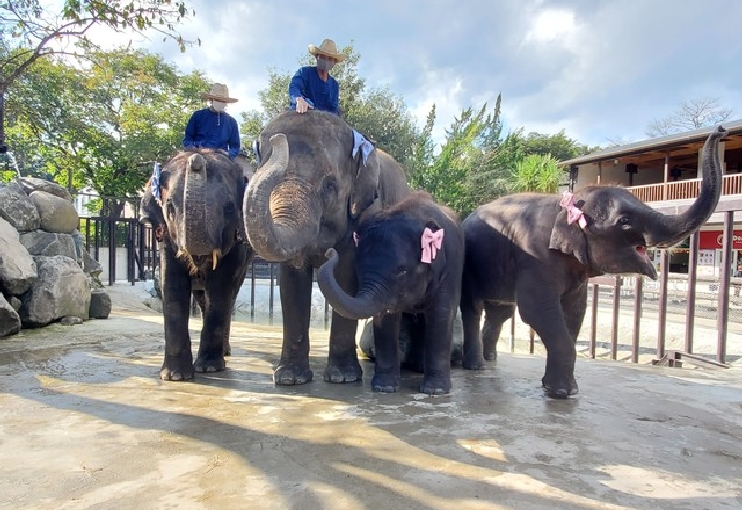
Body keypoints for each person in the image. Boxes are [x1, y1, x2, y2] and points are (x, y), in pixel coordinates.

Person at [183, 83, 241, 160]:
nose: (220, 103)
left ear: (226, 103)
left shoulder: (231, 122)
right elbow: (188, 139)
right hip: (198, 153)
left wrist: (229, 154)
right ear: (211, 100)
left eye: (222, 101)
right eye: (217, 100)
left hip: (222, 157)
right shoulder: (198, 116)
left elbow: (235, 146)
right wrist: (192, 148)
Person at [288, 38, 345, 115]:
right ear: (316, 56)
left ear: (334, 62)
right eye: (323, 56)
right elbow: (294, 87)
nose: (326, 60)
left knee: (350, 127)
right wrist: (299, 99)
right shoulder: (304, 72)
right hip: (305, 112)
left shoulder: (335, 85)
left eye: (330, 58)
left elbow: (334, 109)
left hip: (326, 120)